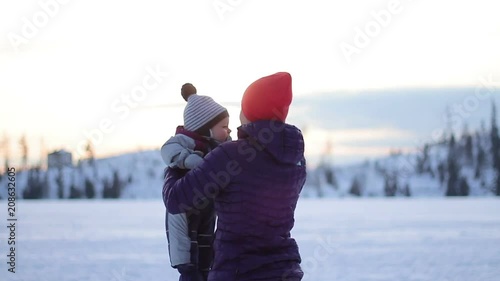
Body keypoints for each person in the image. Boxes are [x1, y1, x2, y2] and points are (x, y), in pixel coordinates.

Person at [164, 72, 306, 281]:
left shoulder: (232, 155)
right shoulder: (296, 160)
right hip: (285, 270)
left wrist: (176, 162)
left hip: (237, 271)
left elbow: (176, 200)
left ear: (250, 110)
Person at [161, 83, 231, 281]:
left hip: (207, 210)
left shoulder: (217, 148)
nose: (228, 131)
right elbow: (169, 150)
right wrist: (192, 161)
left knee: (206, 254)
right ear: (205, 128)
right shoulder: (184, 142)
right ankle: (188, 269)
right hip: (183, 212)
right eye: (224, 127)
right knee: (189, 262)